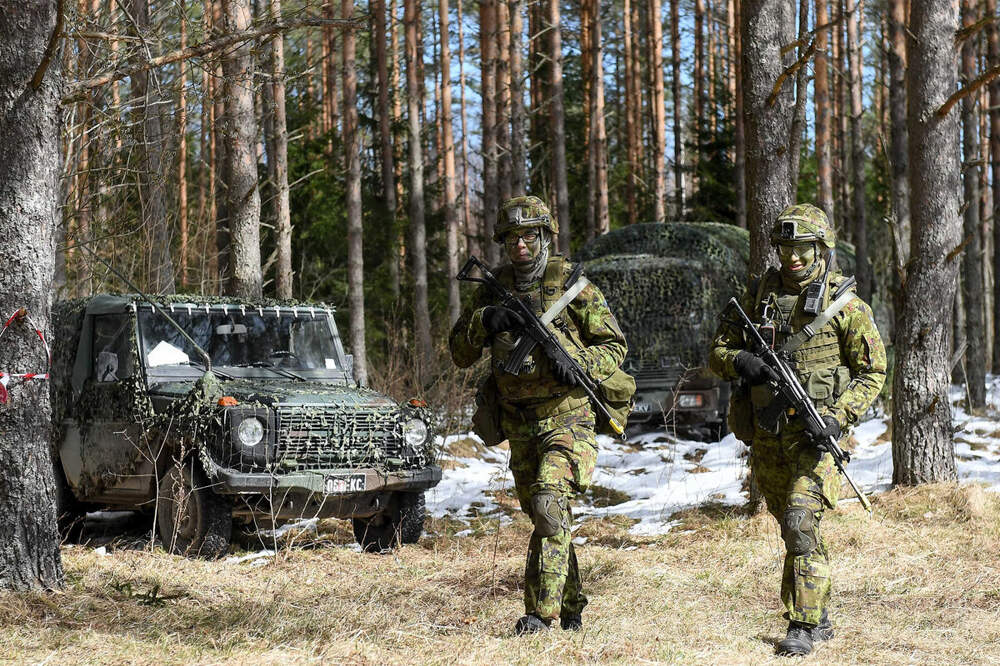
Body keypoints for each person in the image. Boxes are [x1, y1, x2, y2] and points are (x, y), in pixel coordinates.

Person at [708, 203, 886, 657]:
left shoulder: (845, 306)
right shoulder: (757, 299)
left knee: (801, 521)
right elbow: (718, 352)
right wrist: (741, 361)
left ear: (821, 249)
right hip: (768, 435)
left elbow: (873, 371)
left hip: (815, 438)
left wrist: (838, 417)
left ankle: (803, 624)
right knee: (790, 526)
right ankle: (818, 611)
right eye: (785, 248)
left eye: (802, 248)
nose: (792, 257)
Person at [449, 195, 628, 635]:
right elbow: (459, 353)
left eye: (529, 235)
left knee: (549, 505)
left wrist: (581, 364)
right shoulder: (494, 288)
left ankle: (539, 616)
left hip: (568, 418)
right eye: (511, 237)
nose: (520, 245)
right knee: (547, 517)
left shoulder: (571, 285)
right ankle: (572, 605)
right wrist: (484, 321)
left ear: (546, 236)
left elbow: (615, 345)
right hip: (519, 424)